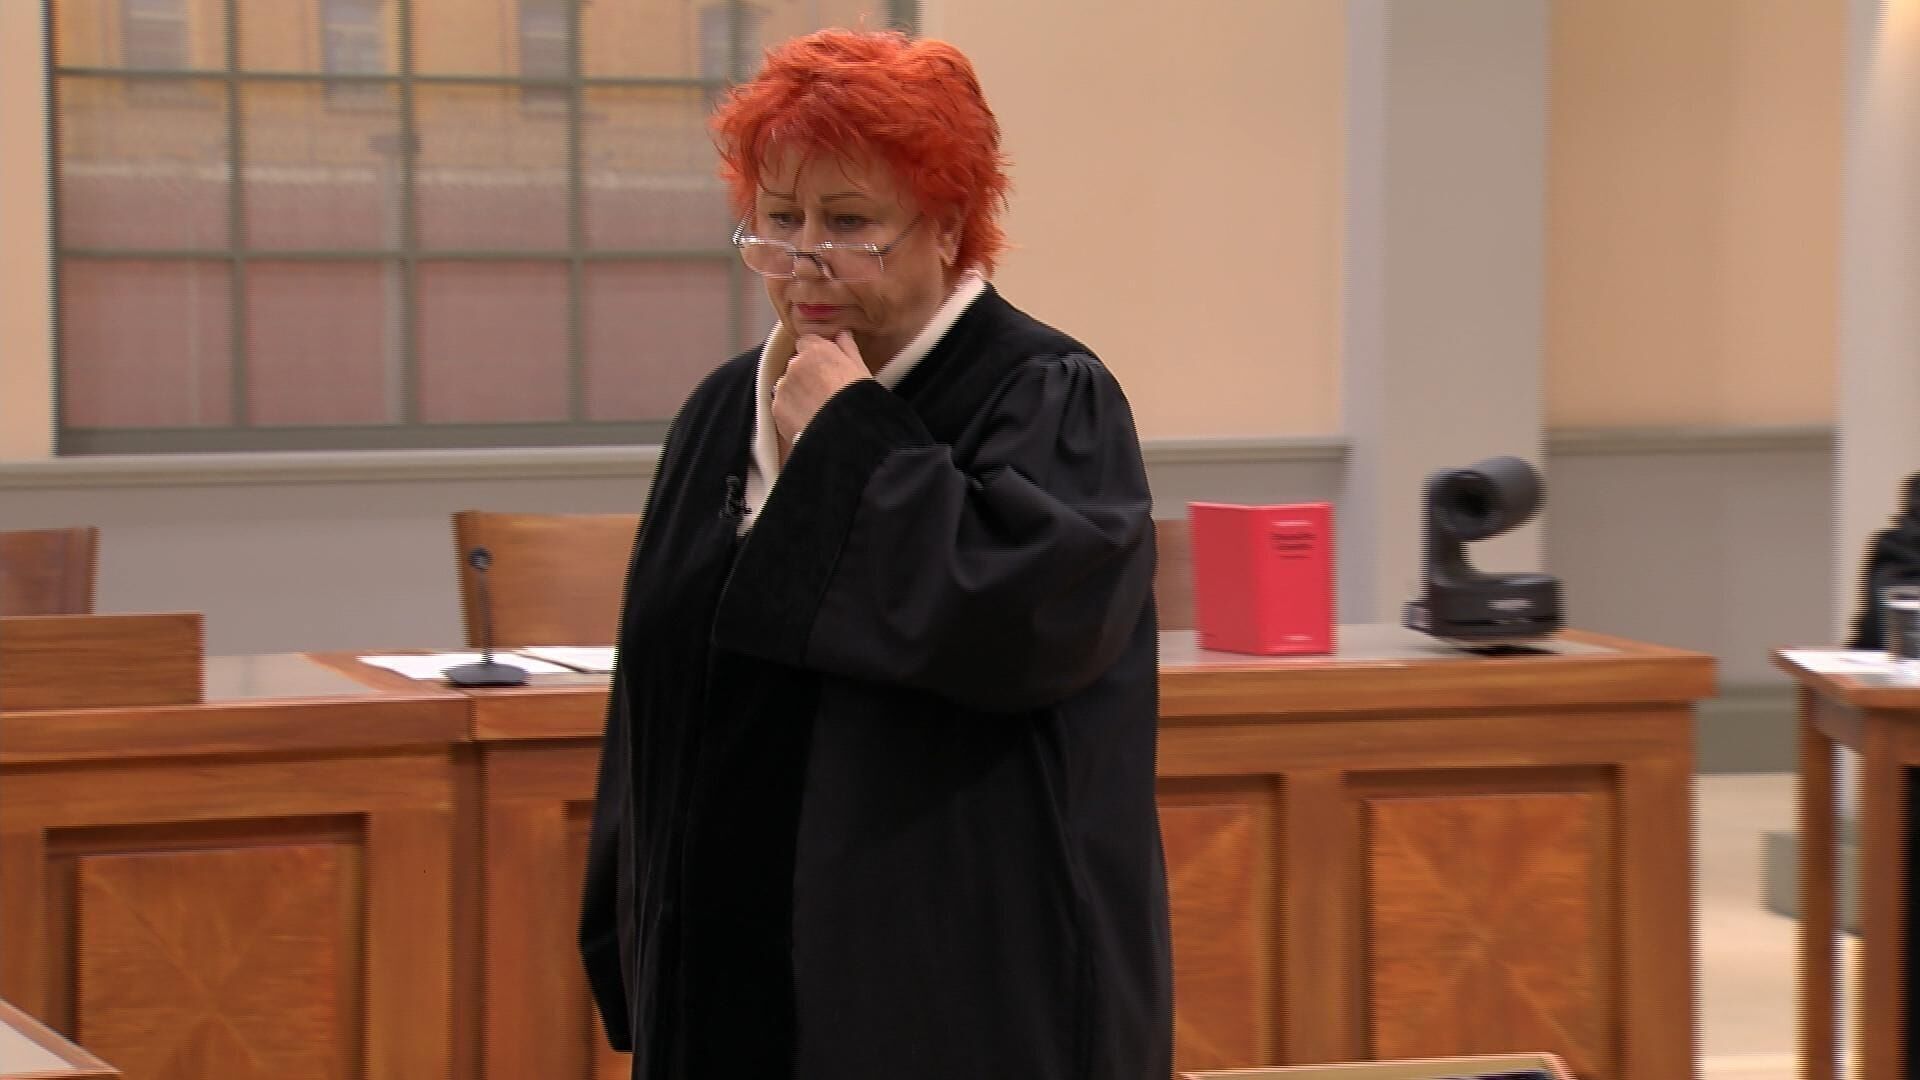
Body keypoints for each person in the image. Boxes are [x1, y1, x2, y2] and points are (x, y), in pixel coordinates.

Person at [577, 28, 1172, 1080]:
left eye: (849, 223)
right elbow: (654, 697)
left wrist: (851, 437)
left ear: (946, 226)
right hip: (724, 988)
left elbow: (1021, 630)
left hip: (960, 1000)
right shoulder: (721, 411)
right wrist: (631, 938)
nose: (806, 260)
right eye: (780, 220)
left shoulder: (1044, 397)